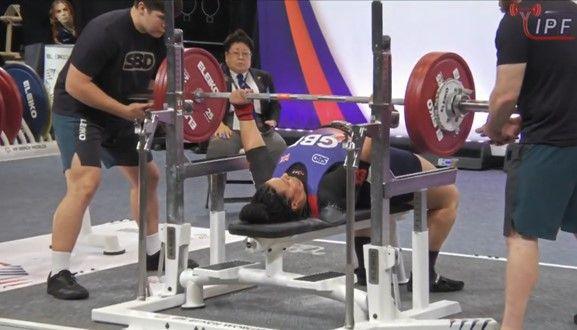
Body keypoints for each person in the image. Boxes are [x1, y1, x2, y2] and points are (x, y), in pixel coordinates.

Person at [229, 89, 464, 292]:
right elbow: (368, 151)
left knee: (359, 190)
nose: (286, 176)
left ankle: (364, 271)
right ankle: (425, 276)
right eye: (288, 183)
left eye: (280, 177)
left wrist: (242, 108)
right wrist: (380, 112)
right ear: (294, 204)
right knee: (449, 196)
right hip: (374, 164)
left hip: (354, 162)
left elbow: (254, 148)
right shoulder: (327, 192)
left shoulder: (269, 187)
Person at [47, 0, 195, 300]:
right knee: (86, 182)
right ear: (140, 7)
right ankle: (57, 272)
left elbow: (156, 84)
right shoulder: (105, 30)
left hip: (119, 111)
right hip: (79, 110)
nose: (165, 25)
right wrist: (123, 110)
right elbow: (76, 84)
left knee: (148, 176)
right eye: (160, 17)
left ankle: (154, 254)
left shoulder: (160, 40)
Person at [476, 1, 577, 329]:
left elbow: (505, 96)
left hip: (547, 144)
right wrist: (530, 115)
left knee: (522, 235)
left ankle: (511, 326)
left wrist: (494, 127)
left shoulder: (518, 20)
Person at [206, 29, 286, 163]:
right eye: (236, 53)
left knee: (279, 146)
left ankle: (269, 184)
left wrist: (273, 120)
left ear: (251, 56)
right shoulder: (215, 76)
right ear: (226, 56)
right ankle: (215, 185)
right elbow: (206, 105)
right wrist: (217, 124)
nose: (241, 57)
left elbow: (274, 103)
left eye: (245, 53)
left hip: (260, 128)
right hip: (230, 128)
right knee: (218, 147)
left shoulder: (264, 77)